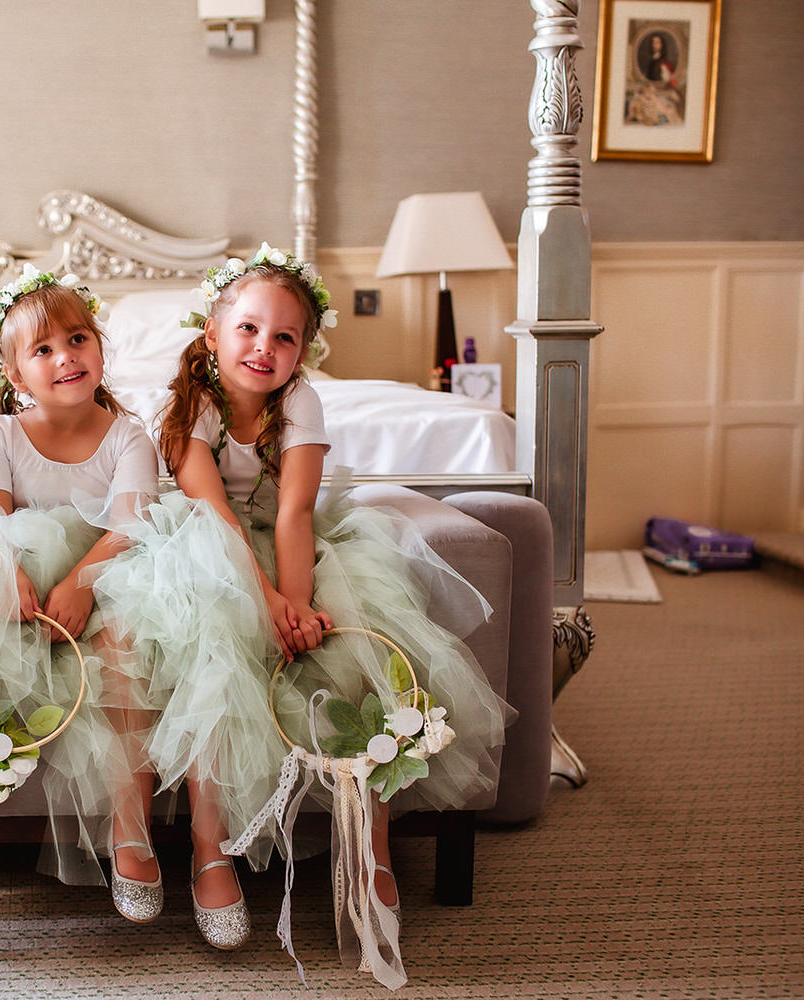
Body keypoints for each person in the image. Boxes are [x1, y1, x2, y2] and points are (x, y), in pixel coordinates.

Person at [110, 244, 511, 970]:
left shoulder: (301, 402)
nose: (264, 349)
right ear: (212, 333)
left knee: (365, 648)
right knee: (214, 650)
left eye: (285, 337)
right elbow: (216, 521)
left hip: (286, 545)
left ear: (304, 351)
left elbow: (294, 512)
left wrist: (297, 601)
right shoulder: (190, 404)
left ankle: (369, 848)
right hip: (201, 545)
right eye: (248, 330)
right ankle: (210, 849)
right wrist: (265, 603)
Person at [0, 267, 165, 928]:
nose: (65, 357)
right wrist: (5, 564)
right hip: (21, 575)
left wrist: (79, 580)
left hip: (110, 570)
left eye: (77, 339)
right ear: (15, 375)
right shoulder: (1, 436)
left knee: (126, 639)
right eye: (42, 350)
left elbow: (132, 524)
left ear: (100, 349)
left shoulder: (129, 434)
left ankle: (131, 826)